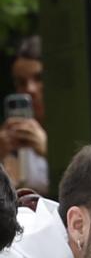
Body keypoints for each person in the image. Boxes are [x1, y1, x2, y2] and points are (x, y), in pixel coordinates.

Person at [2, 35, 48, 193]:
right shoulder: (12, 137)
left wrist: (47, 151)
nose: (30, 89)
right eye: (21, 82)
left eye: (39, 78)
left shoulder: (79, 123)